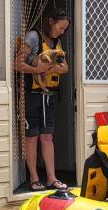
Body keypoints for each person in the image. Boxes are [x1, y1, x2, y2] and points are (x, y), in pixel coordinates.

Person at [15, 9, 70, 191]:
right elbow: (18, 63)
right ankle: (34, 178)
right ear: (51, 21)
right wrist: (38, 70)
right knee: (32, 138)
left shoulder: (57, 43)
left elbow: (65, 69)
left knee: (47, 137)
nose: (61, 32)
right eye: (60, 28)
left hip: (50, 95)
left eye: (64, 29)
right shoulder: (33, 37)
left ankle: (52, 178)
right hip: (32, 95)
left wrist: (51, 68)